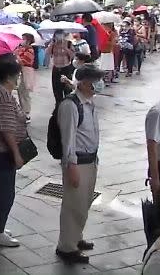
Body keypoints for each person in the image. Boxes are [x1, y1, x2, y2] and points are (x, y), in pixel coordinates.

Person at [56, 64, 105, 264]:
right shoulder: (70, 105)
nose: (99, 85)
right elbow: (68, 140)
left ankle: (76, 237)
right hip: (77, 162)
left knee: (83, 203)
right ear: (84, 83)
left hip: (90, 160)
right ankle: (66, 247)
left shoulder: (89, 103)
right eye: (96, 81)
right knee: (73, 205)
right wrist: (72, 166)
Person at [0, 60, 26, 247]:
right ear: (10, 76)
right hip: (3, 151)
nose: (19, 78)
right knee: (6, 192)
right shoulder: (6, 97)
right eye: (18, 75)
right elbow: (8, 129)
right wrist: (16, 154)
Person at [48, 30, 75, 103]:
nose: (59, 36)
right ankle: (58, 108)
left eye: (60, 34)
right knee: (57, 92)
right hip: (56, 68)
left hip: (66, 68)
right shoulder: (53, 44)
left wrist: (65, 48)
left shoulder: (68, 43)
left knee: (67, 90)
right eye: (57, 35)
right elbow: (48, 53)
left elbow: (73, 55)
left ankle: (67, 106)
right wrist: (52, 44)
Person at [14, 33, 35, 120]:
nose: (21, 41)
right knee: (20, 91)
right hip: (20, 71)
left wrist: (17, 56)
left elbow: (24, 61)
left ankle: (26, 113)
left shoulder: (30, 50)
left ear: (28, 40)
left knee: (25, 93)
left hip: (26, 72)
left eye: (23, 39)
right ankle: (22, 110)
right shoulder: (21, 48)